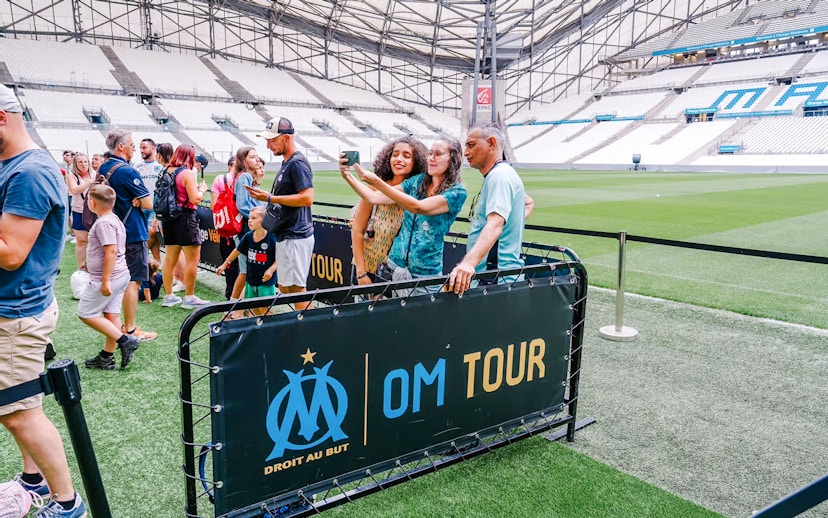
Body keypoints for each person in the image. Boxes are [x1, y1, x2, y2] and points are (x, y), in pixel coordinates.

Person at [0, 84, 86, 517]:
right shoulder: (12, 164)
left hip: (14, 313)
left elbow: (10, 252)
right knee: (17, 405)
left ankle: (67, 504)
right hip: (13, 307)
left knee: (18, 413)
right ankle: (33, 481)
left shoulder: (29, 172)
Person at [341, 137, 467, 293]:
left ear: (453, 159)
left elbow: (418, 207)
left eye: (438, 154)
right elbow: (375, 197)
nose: (432, 158)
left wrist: (375, 181)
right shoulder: (418, 181)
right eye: (430, 153)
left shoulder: (457, 193)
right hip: (393, 267)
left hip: (425, 275)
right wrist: (348, 176)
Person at [448, 123, 535, 295]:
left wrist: (468, 263)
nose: (465, 152)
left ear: (492, 143)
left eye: (471, 145)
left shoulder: (499, 176)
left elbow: (495, 224)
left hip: (493, 279)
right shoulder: (502, 174)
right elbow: (528, 203)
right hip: (497, 278)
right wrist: (510, 226)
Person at [247, 117, 314, 310]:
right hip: (288, 234)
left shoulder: (297, 163)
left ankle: (313, 332)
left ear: (286, 138)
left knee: (296, 290)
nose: (268, 145)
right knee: (286, 288)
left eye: (272, 140)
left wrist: (270, 199)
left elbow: (307, 198)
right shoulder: (288, 162)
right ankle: (307, 328)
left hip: (296, 235)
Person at [99, 129, 158, 342]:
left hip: (111, 231)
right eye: (132, 144)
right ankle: (131, 329)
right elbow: (149, 203)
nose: (134, 148)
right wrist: (138, 200)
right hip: (131, 232)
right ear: (121, 147)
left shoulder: (103, 167)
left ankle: (117, 326)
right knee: (133, 282)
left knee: (117, 281)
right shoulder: (127, 171)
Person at [344, 137, 426, 285]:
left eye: (406, 156)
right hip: (368, 271)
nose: (399, 159)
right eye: (395, 154)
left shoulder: (418, 194)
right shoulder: (375, 188)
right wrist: (361, 274)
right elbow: (357, 229)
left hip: (399, 275)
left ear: (417, 162)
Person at [79, 184, 142, 371]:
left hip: (109, 278)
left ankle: (125, 341)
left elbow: (111, 251)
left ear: (91, 203)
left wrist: (105, 280)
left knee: (86, 313)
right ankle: (107, 357)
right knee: (111, 315)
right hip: (120, 275)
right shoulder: (112, 219)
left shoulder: (104, 223)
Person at [159, 144, 211, 310]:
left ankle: (168, 296)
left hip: (168, 218)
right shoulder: (186, 173)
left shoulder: (164, 171)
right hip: (185, 218)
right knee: (192, 259)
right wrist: (202, 189)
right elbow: (195, 199)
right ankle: (189, 297)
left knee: (169, 258)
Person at [216, 206, 277, 316]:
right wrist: (225, 264)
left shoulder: (272, 238)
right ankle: (257, 330)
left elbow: (280, 258)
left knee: (265, 309)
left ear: (265, 220)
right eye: (249, 218)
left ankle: (270, 330)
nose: (249, 221)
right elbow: (237, 250)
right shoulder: (248, 236)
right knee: (252, 309)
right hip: (251, 281)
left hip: (266, 283)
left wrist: (271, 270)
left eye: (254, 218)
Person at [227, 146, 265, 308]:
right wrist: (258, 218)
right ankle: (236, 306)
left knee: (246, 269)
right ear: (243, 161)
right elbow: (243, 205)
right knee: (245, 270)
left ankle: (240, 305)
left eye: (257, 157)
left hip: (247, 228)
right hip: (246, 229)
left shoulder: (245, 177)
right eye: (252, 157)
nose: (257, 160)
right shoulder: (245, 177)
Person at [155, 142, 185, 294]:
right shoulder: (170, 170)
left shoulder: (168, 170)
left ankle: (181, 279)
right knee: (174, 250)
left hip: (170, 214)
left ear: (160, 155)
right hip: (170, 214)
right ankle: (178, 278)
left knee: (175, 250)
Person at [210, 156, 239, 299]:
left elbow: (213, 207)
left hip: (226, 231)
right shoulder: (245, 178)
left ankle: (230, 298)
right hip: (242, 230)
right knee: (244, 268)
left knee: (229, 266)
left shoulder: (219, 180)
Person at [135, 138, 163, 264]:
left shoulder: (160, 166)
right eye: (140, 148)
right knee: (152, 235)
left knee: (151, 232)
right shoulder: (137, 166)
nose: (141, 150)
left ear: (153, 148)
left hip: (155, 206)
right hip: (141, 206)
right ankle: (157, 263)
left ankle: (140, 259)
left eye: (144, 148)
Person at [66, 152, 95, 270]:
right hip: (79, 211)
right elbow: (74, 190)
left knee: (95, 240)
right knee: (81, 241)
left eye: (85, 162)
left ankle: (94, 266)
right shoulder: (72, 176)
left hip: (94, 211)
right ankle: (81, 267)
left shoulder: (94, 174)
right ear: (75, 164)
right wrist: (89, 182)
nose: (83, 164)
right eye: (80, 162)